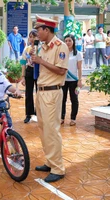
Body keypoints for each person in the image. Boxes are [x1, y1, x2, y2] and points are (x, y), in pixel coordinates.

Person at [31, 15, 69, 183]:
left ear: (47, 29)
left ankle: (58, 168)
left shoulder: (60, 47)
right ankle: (50, 161)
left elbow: (61, 71)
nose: (37, 32)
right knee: (43, 128)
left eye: (38, 29)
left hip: (52, 93)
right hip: (41, 92)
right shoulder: (43, 47)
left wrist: (41, 61)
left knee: (52, 130)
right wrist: (34, 60)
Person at [61, 34, 83, 126]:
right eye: (66, 41)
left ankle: (73, 118)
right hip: (63, 80)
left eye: (69, 40)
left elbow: (79, 68)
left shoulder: (78, 53)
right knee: (62, 99)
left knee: (74, 99)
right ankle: (61, 117)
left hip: (74, 80)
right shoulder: (62, 53)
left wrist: (80, 80)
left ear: (73, 42)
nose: (68, 43)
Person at [20, 29, 39, 123]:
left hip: (39, 72)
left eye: (34, 36)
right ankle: (28, 114)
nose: (32, 39)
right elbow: (23, 62)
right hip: (29, 71)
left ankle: (38, 113)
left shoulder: (41, 48)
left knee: (40, 93)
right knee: (28, 93)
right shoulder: (26, 49)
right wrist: (23, 76)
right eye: (30, 37)